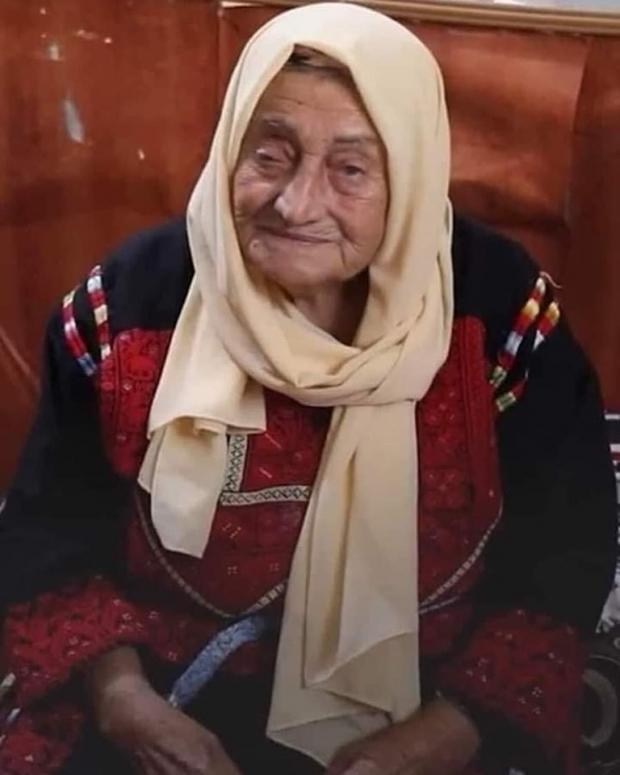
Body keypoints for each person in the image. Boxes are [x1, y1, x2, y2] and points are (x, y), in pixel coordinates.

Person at [0, 4, 616, 774]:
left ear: (412, 173)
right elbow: (50, 528)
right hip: (165, 698)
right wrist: (124, 701)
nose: (295, 204)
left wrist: (445, 734)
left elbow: (562, 545)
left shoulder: (499, 315)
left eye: (351, 170)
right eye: (269, 154)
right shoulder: (124, 307)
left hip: (435, 702)